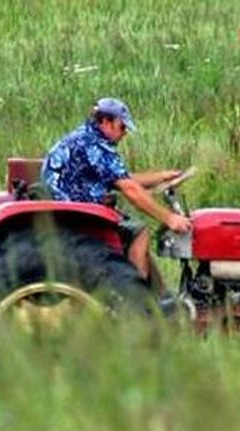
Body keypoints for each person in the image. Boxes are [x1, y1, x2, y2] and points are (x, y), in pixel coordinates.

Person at [41, 98, 191, 294]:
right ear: (105, 121)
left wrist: (161, 177)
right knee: (138, 231)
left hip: (70, 203)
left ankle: (160, 297)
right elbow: (130, 190)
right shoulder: (96, 147)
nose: (124, 133)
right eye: (122, 127)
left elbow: (122, 179)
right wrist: (170, 218)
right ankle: (137, 301)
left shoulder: (85, 137)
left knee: (131, 226)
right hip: (73, 210)